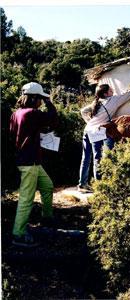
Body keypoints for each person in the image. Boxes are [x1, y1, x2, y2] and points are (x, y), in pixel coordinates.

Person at [10, 82, 58, 247]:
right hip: (29, 162)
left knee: (47, 186)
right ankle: (19, 234)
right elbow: (53, 118)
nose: (41, 102)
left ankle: (47, 218)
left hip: (28, 160)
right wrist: (49, 102)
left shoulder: (17, 113)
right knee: (26, 198)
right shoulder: (32, 113)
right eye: (40, 98)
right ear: (34, 98)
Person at [78, 84, 130, 193]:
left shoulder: (97, 102)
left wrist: (89, 122)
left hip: (87, 130)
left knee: (85, 158)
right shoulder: (113, 100)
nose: (112, 90)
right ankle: (99, 187)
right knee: (97, 159)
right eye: (110, 90)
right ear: (106, 93)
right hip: (96, 131)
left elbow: (83, 111)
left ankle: (82, 185)